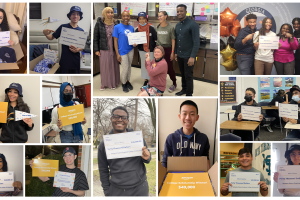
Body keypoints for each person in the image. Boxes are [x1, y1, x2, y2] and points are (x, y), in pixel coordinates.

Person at [98, 106, 151, 196]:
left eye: (124, 117)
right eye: (116, 117)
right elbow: (103, 170)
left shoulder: (138, 139)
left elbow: (147, 158)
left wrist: (147, 157)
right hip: (117, 191)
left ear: (127, 121)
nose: (120, 120)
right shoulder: (104, 145)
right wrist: (107, 192)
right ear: (111, 119)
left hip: (140, 188)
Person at [162, 100, 210, 169]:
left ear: (197, 117)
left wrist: (208, 177)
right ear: (179, 116)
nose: (188, 118)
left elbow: (206, 160)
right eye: (184, 114)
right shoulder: (171, 138)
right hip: (177, 176)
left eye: (192, 114)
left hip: (197, 176)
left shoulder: (203, 138)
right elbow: (165, 162)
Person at [42, 6, 85, 74]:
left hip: (75, 62)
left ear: (80, 17)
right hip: (65, 61)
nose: (75, 16)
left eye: (78, 14)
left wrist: (77, 49)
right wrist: (45, 34)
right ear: (70, 16)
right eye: (73, 13)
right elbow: (51, 37)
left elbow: (82, 47)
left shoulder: (81, 31)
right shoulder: (63, 27)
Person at [174, 4, 200, 96]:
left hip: (189, 55)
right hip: (180, 54)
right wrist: (176, 53)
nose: (179, 13)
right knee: (183, 74)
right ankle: (184, 89)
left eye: (181, 11)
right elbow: (177, 40)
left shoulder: (193, 24)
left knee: (188, 75)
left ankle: (189, 93)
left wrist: (192, 57)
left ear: (186, 12)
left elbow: (196, 42)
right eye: (178, 11)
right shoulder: (177, 25)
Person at [94, 7, 120, 90]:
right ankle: (104, 83)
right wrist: (96, 50)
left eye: (112, 12)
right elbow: (96, 37)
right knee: (104, 66)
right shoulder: (99, 23)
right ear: (104, 13)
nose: (110, 14)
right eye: (108, 12)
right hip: (103, 48)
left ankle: (113, 83)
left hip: (114, 48)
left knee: (114, 65)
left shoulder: (116, 23)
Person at [113, 11, 134, 93]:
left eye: (128, 16)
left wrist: (134, 44)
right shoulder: (117, 27)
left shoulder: (131, 27)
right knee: (125, 68)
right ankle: (124, 83)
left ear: (129, 17)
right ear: (121, 17)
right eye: (124, 16)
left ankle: (128, 81)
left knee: (129, 67)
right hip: (122, 51)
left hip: (130, 50)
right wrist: (117, 54)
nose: (126, 18)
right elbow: (115, 41)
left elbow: (132, 39)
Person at [135, 12, 157, 87]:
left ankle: (152, 80)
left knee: (151, 65)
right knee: (144, 65)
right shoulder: (137, 29)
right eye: (140, 19)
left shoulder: (151, 27)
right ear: (138, 20)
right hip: (142, 50)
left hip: (150, 50)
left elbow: (155, 39)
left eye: (143, 18)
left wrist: (153, 48)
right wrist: (135, 44)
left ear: (146, 19)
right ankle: (145, 80)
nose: (141, 20)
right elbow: (136, 41)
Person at [157, 11, 177, 93]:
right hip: (158, 49)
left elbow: (173, 40)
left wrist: (172, 52)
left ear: (165, 16)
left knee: (169, 68)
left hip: (168, 49)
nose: (159, 18)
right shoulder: (157, 27)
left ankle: (174, 83)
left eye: (161, 16)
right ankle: (160, 83)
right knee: (158, 68)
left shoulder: (170, 28)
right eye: (158, 16)